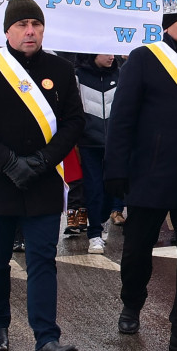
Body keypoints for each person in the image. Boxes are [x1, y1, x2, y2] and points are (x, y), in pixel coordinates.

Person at [0, 0, 84, 351]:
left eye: (36, 25)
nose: (30, 31)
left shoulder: (60, 69)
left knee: (43, 259)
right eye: (22, 25)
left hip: (43, 180)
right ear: (7, 31)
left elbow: (74, 122)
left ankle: (46, 340)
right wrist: (9, 162)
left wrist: (43, 160)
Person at [104, 0, 177, 351]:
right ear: (167, 25)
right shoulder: (144, 59)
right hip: (150, 173)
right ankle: (131, 304)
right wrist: (116, 170)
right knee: (137, 250)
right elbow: (122, 119)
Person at [76, 53, 120, 253]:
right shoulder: (79, 76)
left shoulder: (120, 75)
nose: (111, 56)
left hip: (114, 145)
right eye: (106, 52)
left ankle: (103, 216)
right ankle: (94, 234)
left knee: (113, 188)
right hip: (89, 144)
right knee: (93, 189)